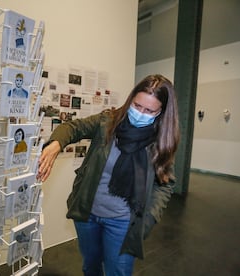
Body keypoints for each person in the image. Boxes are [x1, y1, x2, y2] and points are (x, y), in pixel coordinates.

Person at [37, 74, 180, 276]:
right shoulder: (109, 121)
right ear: (131, 99)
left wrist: (149, 218)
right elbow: (73, 127)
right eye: (137, 105)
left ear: (161, 112)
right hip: (88, 215)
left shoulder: (161, 142)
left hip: (123, 221)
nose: (140, 113)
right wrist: (55, 145)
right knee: (91, 266)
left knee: (118, 272)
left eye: (149, 110)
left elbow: (165, 183)